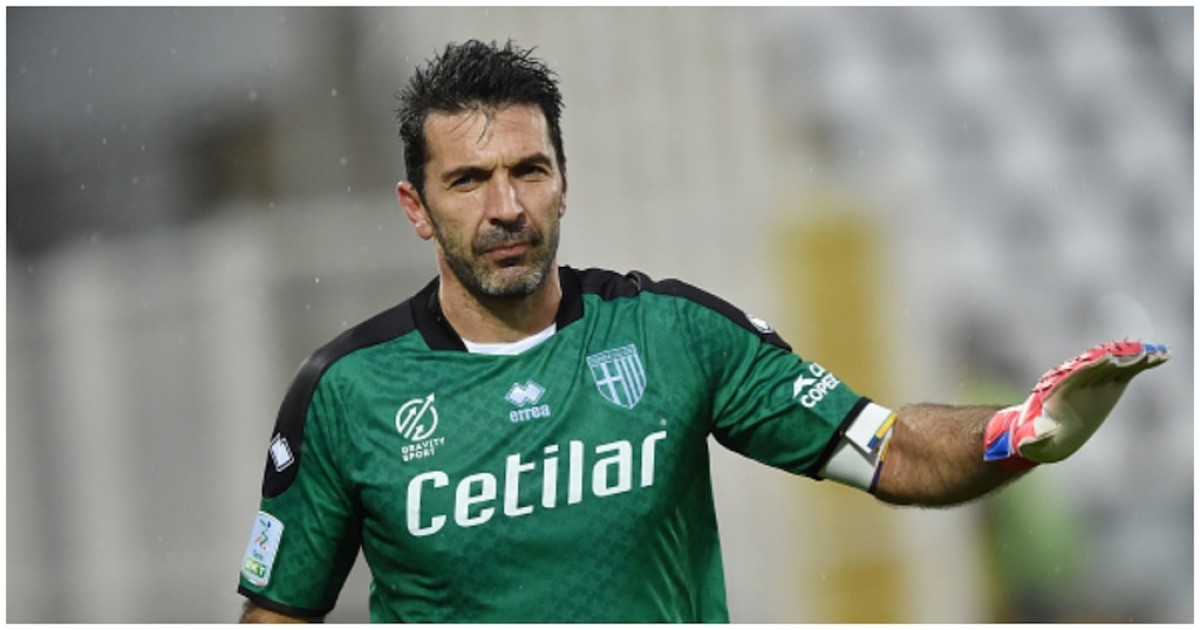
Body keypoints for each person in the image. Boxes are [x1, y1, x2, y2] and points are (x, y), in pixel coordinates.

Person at [236, 39, 1169, 623]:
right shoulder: (347, 394)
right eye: (469, 181)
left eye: (529, 170)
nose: (507, 206)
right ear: (416, 206)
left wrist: (1021, 433)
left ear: (565, 180)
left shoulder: (672, 335)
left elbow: (889, 449)